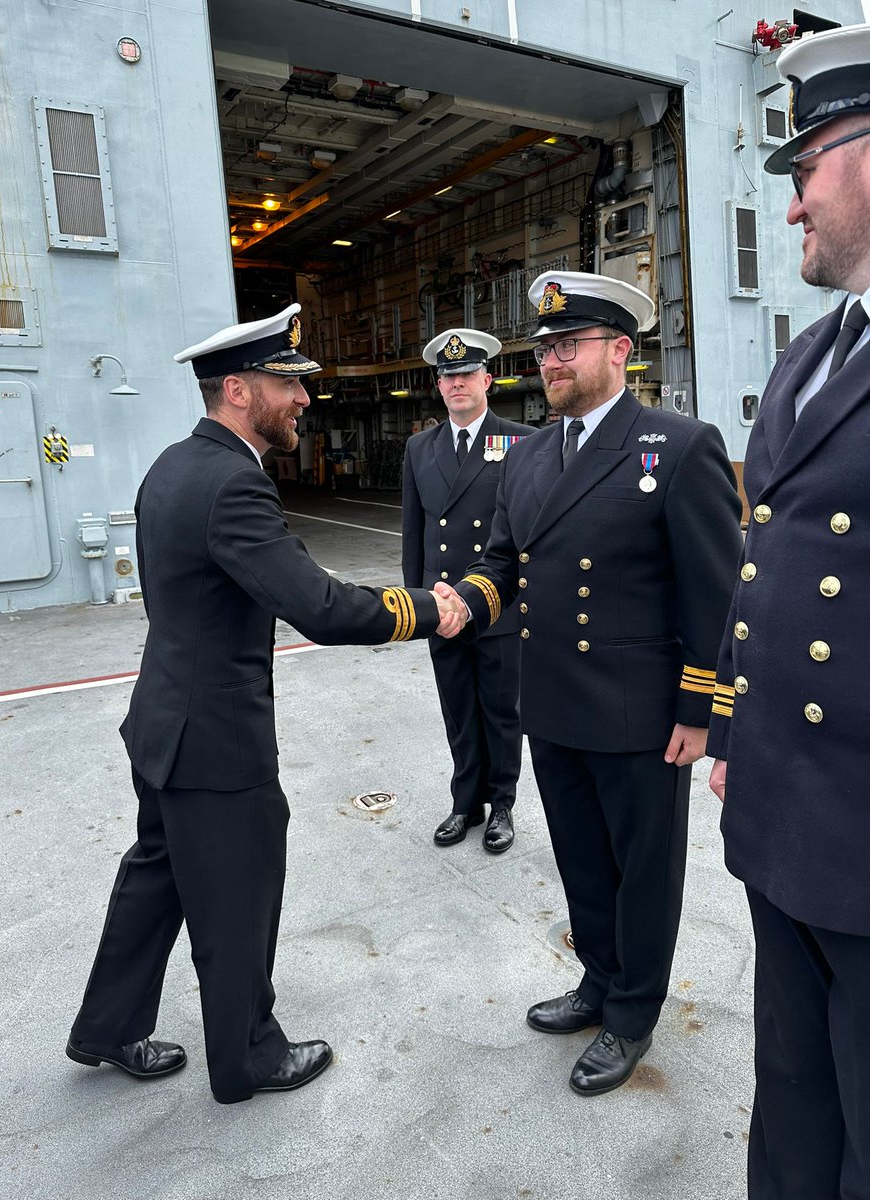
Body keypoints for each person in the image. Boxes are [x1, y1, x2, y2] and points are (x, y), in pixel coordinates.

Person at [65, 304, 463, 1105]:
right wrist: (430, 607)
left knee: (158, 878)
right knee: (237, 893)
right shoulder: (233, 484)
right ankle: (248, 1056)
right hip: (215, 739)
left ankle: (106, 1027)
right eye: (289, 385)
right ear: (241, 391)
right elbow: (318, 606)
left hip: (162, 721)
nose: (304, 401)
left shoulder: (172, 466)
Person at [441, 272, 742, 1095]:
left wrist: (701, 711)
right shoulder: (530, 454)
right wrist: (461, 602)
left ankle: (634, 1012)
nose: (550, 360)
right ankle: (598, 981)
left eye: (567, 344)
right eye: (542, 347)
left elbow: (715, 593)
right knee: (579, 857)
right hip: (551, 701)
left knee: (643, 869)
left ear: (621, 351)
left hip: (640, 712)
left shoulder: (678, 447)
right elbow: (503, 560)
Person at [707, 24, 870, 1198]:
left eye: (807, 165)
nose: (794, 202)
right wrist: (727, 731)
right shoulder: (812, 355)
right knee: (797, 1103)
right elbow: (763, 564)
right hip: (785, 827)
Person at [402, 329, 534, 852]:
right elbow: (416, 532)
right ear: (439, 386)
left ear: (487, 380)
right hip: (440, 605)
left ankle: (501, 803)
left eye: (466, 375)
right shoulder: (420, 447)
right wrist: (417, 606)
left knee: (502, 710)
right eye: (447, 376)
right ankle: (465, 803)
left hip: (498, 605)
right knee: (457, 707)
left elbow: (525, 535)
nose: (457, 383)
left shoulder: (520, 441)